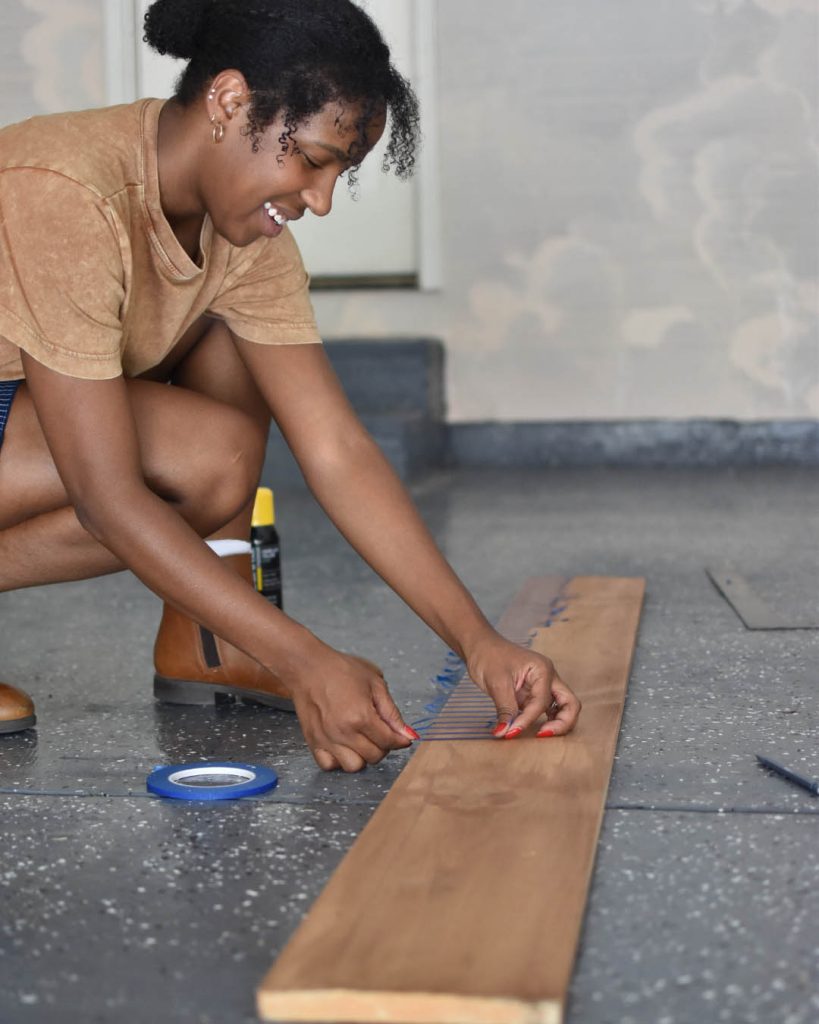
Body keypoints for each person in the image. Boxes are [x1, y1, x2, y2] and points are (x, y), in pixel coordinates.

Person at [0, 0, 580, 769]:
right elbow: (107, 498)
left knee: (226, 354)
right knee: (203, 457)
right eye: (310, 159)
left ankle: (204, 643)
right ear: (230, 100)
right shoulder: (67, 188)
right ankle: (232, 632)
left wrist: (478, 643)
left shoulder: (247, 230)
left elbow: (336, 447)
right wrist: (306, 660)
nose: (321, 199)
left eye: (341, 172)